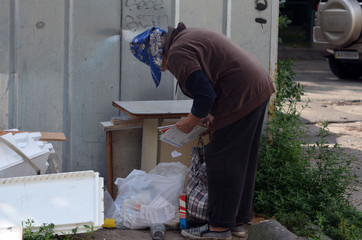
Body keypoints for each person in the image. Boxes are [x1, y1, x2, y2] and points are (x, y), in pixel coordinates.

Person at [130, 22, 275, 240]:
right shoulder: (186, 39)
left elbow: (205, 95)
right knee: (240, 159)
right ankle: (236, 222)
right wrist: (208, 115)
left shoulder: (178, 53)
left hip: (240, 93)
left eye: (159, 64)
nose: (164, 69)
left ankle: (218, 229)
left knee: (221, 158)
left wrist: (190, 121)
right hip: (255, 87)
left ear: (159, 53)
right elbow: (213, 79)